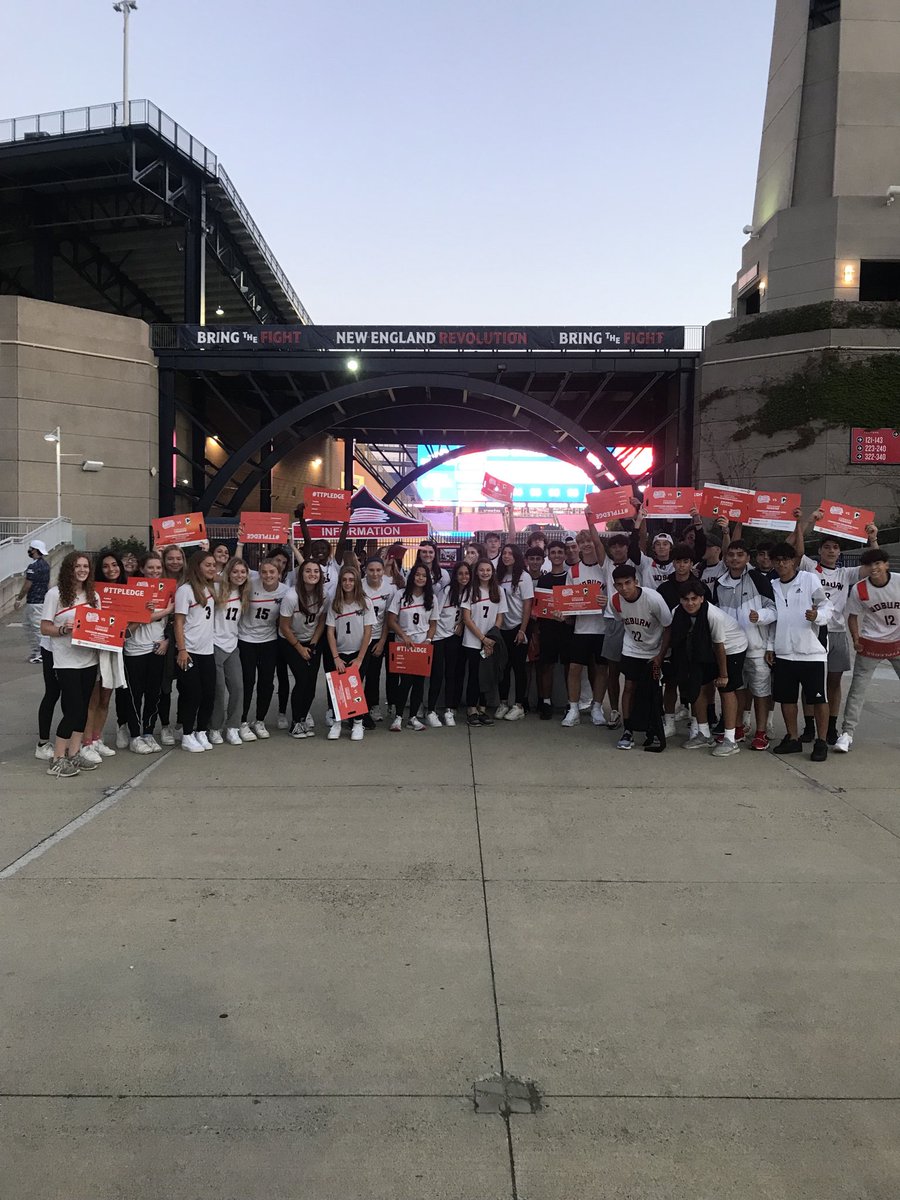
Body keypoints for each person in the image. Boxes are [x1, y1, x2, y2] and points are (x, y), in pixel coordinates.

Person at [789, 507, 879, 744]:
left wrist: (872, 539)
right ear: (819, 550)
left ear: (840, 552)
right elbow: (795, 550)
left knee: (834, 682)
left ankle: (830, 726)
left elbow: (874, 565)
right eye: (827, 547)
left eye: (835, 547)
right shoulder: (809, 567)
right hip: (811, 631)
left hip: (837, 632)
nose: (831, 550)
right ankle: (809, 726)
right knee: (810, 682)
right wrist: (808, 521)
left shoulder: (845, 574)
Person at [766, 543, 833, 761]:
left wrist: (817, 616)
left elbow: (826, 606)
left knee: (818, 698)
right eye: (777, 560)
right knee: (787, 699)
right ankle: (793, 738)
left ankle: (821, 742)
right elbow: (774, 619)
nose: (781, 564)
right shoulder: (772, 585)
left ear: (794, 561)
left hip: (812, 651)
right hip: (784, 651)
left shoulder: (808, 579)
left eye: (785, 559)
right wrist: (770, 646)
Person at [667, 581, 749, 757]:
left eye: (694, 599)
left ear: (702, 599)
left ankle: (730, 739)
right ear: (680, 600)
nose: (690, 603)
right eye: (685, 599)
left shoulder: (714, 615)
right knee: (698, 686)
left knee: (726, 689)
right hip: (704, 648)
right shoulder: (677, 613)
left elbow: (720, 646)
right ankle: (703, 734)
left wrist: (723, 674)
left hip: (731, 647)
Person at [711, 540, 777, 750]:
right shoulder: (719, 584)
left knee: (761, 691)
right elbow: (715, 614)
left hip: (757, 647)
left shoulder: (758, 579)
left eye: (740, 554)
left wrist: (761, 616)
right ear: (725, 558)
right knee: (736, 689)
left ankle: (761, 732)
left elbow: (774, 610)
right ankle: (737, 728)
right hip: (731, 648)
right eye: (731, 554)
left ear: (748, 558)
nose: (735, 558)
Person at [40, 552, 101, 777]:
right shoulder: (55, 594)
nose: (82, 570)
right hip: (66, 660)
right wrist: (64, 629)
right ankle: (58, 758)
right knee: (73, 709)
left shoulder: (93, 595)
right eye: (77, 566)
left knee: (83, 709)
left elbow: (100, 625)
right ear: (69, 569)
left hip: (89, 659)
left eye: (86, 566)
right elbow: (44, 627)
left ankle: (74, 753)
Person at [834, 549, 900, 753]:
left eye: (878, 563)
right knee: (858, 689)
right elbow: (852, 616)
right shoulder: (860, 589)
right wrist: (856, 638)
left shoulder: (898, 582)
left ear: (886, 564)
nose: (874, 568)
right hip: (872, 642)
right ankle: (847, 733)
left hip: (897, 641)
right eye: (869, 565)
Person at [606, 564, 673, 751]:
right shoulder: (615, 601)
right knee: (629, 687)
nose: (624, 588)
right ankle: (628, 730)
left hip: (654, 651)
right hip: (632, 649)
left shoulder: (653, 599)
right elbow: (622, 621)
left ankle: (655, 727)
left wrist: (660, 655)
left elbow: (668, 627)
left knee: (654, 690)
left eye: (628, 583)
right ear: (615, 585)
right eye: (619, 584)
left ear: (636, 581)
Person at [119, 551, 173, 753]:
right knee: (134, 696)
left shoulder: (167, 590)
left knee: (154, 694)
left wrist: (167, 640)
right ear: (141, 569)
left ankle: (148, 732)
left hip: (156, 649)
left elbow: (172, 622)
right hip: (135, 650)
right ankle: (135, 735)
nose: (155, 571)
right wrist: (162, 611)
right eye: (150, 567)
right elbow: (132, 621)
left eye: (158, 567)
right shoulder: (132, 590)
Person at [656, 544, 711, 737]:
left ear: (691, 563)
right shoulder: (664, 588)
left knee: (695, 687)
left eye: (686, 561)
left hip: (696, 645)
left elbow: (709, 616)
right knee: (670, 683)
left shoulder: (701, 587)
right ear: (673, 563)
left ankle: (696, 723)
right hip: (673, 644)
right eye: (678, 561)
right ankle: (669, 722)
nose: (681, 565)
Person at [560, 512, 608, 728]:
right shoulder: (574, 570)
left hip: (603, 627)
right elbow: (569, 599)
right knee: (574, 668)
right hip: (581, 628)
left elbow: (614, 594)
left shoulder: (604, 566)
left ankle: (597, 707)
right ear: (578, 547)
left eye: (589, 541)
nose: (587, 545)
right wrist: (563, 612)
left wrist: (606, 601)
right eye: (582, 542)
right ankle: (573, 709)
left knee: (601, 670)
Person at [82, 549, 129, 762]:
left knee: (105, 698)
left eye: (114, 565)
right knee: (92, 699)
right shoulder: (92, 592)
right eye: (105, 566)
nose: (111, 569)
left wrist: (145, 610)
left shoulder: (128, 591)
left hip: (114, 650)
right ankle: (86, 743)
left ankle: (97, 738)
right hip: (95, 649)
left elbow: (132, 623)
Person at [237, 557, 287, 740]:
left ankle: (259, 720)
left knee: (266, 682)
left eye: (272, 572)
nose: (268, 575)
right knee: (247, 681)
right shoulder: (250, 585)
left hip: (269, 640)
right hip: (246, 639)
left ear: (279, 573)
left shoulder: (285, 591)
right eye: (264, 572)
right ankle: (242, 721)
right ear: (259, 573)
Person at [173, 551, 218, 752]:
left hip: (207, 650)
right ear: (197, 566)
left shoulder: (210, 587)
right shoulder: (185, 590)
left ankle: (201, 730)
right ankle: (187, 734)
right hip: (189, 651)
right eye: (207, 565)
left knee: (209, 693)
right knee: (193, 694)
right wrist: (182, 649)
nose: (212, 568)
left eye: (213, 565)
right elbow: (179, 622)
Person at [279, 559, 327, 738]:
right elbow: (284, 627)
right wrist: (299, 648)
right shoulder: (291, 596)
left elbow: (321, 620)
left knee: (311, 683)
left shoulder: (323, 595)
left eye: (316, 571)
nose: (312, 574)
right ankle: (295, 723)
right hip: (291, 641)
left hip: (312, 640)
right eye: (308, 571)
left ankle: (302, 718)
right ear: (301, 574)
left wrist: (313, 643)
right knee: (302, 680)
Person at [326, 566, 374, 741]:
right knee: (338, 688)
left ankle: (358, 723)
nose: (348, 583)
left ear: (357, 582)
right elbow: (330, 631)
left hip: (358, 652)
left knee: (356, 687)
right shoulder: (335, 603)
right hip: (340, 652)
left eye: (351, 580)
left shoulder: (365, 602)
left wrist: (360, 658)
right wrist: (336, 657)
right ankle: (337, 722)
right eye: (345, 580)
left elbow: (368, 631)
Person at [387, 564, 437, 732]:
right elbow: (391, 620)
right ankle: (398, 716)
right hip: (404, 645)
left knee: (419, 683)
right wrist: (404, 636)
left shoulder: (431, 598)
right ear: (412, 576)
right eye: (417, 575)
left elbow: (433, 624)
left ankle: (413, 717)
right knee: (405, 682)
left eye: (424, 575)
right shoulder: (401, 595)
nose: (420, 578)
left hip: (422, 646)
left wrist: (428, 640)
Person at [460, 559, 508, 726]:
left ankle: (482, 708)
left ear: (492, 572)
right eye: (482, 570)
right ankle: (471, 709)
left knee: (486, 676)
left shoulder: (498, 591)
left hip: (490, 641)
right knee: (474, 675)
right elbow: (467, 618)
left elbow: (500, 617)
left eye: (488, 570)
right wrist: (482, 638)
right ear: (476, 572)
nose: (485, 573)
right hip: (473, 641)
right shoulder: (470, 590)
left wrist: (492, 638)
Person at [209, 556, 250, 746]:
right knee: (218, 690)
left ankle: (233, 726)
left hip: (232, 645)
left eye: (243, 572)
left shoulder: (244, 592)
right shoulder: (217, 589)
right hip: (215, 644)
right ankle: (215, 727)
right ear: (228, 573)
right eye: (235, 571)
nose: (239, 575)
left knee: (237, 687)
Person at [425, 560, 471, 727]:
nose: (464, 577)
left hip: (453, 636)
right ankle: (431, 710)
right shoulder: (447, 591)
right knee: (437, 674)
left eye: (467, 573)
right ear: (455, 576)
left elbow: (467, 614)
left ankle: (449, 710)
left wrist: (462, 624)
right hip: (439, 636)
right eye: (460, 574)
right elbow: (435, 613)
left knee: (451, 673)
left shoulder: (470, 592)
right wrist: (431, 636)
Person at [495, 543, 534, 721]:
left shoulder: (524, 577)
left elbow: (528, 604)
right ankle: (503, 702)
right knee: (503, 667)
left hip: (518, 627)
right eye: (504, 553)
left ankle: (519, 705)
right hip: (501, 627)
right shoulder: (499, 576)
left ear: (517, 556)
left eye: (510, 553)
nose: (506, 556)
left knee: (519, 667)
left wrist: (522, 630)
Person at [536, 540, 572, 720]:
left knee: (568, 667)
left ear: (565, 555)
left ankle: (571, 703)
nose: (556, 555)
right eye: (553, 552)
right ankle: (546, 702)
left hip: (567, 628)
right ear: (548, 556)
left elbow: (575, 604)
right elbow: (540, 606)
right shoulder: (544, 579)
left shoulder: (571, 578)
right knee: (546, 666)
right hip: (548, 628)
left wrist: (568, 618)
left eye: (560, 552)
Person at [361, 556, 397, 724]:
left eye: (378, 570)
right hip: (360, 637)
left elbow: (388, 618)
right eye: (371, 570)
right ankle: (354, 708)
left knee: (374, 674)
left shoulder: (390, 589)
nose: (375, 574)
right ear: (365, 570)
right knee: (358, 674)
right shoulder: (358, 586)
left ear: (383, 571)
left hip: (378, 636)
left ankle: (373, 705)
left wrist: (382, 641)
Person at [158, 544, 186, 746]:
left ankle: (181, 722)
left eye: (178, 558)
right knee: (165, 685)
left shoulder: (190, 581)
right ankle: (165, 725)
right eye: (170, 558)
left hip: (186, 636)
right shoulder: (157, 582)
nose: (175, 562)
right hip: (163, 636)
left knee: (186, 683)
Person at [14, 539, 51, 663]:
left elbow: (27, 585)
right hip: (42, 600)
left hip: (34, 601)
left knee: (35, 628)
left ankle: (41, 653)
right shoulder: (46, 565)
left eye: (31, 548)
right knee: (30, 626)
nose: (29, 551)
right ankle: (37, 651)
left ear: (35, 550)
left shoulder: (33, 567)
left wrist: (19, 599)